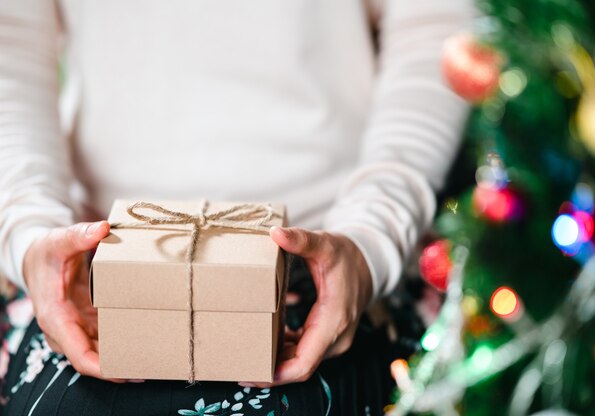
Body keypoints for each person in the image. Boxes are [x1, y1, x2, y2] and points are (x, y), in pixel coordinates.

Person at [0, 1, 471, 414]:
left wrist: (372, 239)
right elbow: (10, 40)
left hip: (336, 250)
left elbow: (436, 27)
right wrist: (30, 229)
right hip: (89, 260)